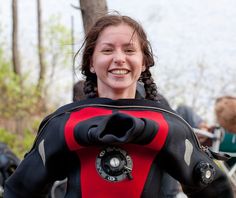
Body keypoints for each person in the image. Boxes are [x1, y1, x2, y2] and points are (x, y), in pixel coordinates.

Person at [4, 14, 233, 197]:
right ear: (91, 63)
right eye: (107, 50)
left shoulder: (169, 126)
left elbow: (216, 190)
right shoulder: (62, 125)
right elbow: (19, 190)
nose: (119, 58)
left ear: (144, 62)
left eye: (129, 50)